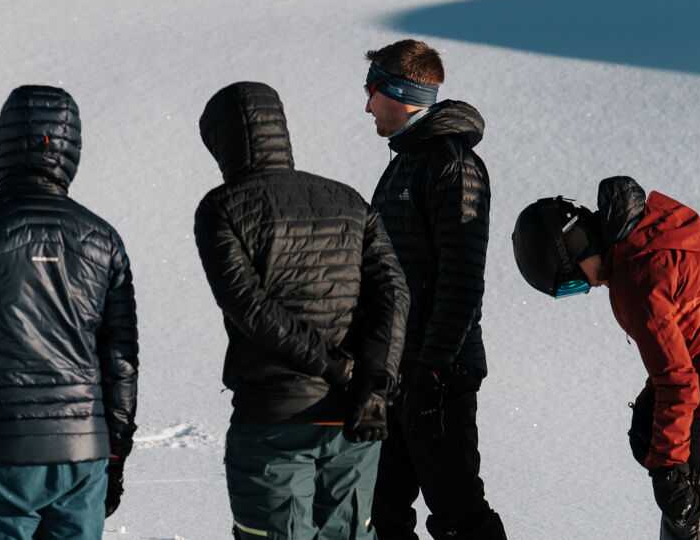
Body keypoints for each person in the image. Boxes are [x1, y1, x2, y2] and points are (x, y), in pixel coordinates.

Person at [514, 177, 700, 539]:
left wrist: (667, 467)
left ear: (573, 247)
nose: (590, 288)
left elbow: (679, 381)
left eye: (574, 282)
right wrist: (652, 397)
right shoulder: (671, 234)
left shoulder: (636, 275)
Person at [194, 81, 409, 540]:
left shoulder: (222, 208)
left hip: (275, 419)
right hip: (356, 418)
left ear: (220, 144)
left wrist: (341, 369)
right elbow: (392, 292)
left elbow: (249, 307)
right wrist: (375, 380)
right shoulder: (348, 201)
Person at [0, 85, 138, 540]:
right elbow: (121, 361)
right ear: (70, 149)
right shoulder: (102, 238)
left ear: (3, 143)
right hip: (82, 448)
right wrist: (115, 454)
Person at [359, 39, 507, 539]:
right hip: (398, 368)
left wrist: (434, 370)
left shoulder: (452, 163)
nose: (366, 105)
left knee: (457, 512)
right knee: (383, 509)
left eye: (372, 90)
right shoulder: (405, 161)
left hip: (438, 370)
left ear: (398, 91)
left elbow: (463, 278)